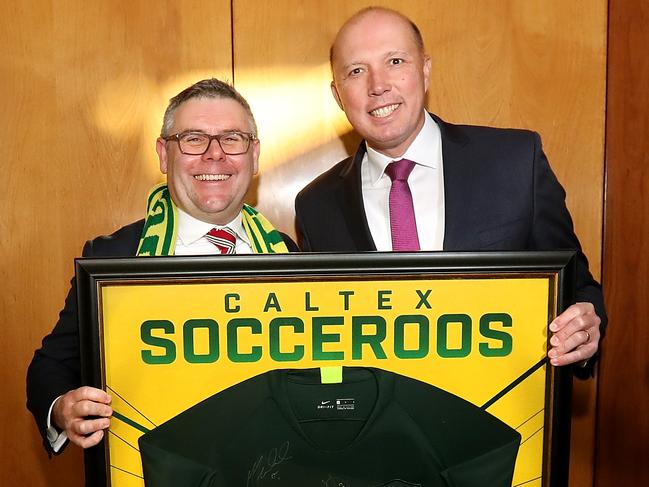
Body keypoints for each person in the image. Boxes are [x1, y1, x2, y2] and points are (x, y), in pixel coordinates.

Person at [295, 7, 605, 376]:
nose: (377, 85)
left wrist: (584, 331)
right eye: (356, 71)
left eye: (395, 61)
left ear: (425, 71)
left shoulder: (515, 162)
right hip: (376, 426)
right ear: (337, 94)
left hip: (503, 418)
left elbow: (577, 288)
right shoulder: (316, 205)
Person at [27, 78, 298, 454]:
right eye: (193, 138)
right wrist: (63, 410)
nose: (214, 154)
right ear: (164, 154)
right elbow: (50, 368)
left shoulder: (289, 254)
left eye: (232, 138)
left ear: (253, 155)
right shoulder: (114, 258)